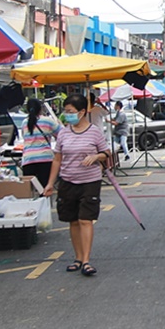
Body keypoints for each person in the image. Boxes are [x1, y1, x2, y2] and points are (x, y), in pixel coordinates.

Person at [52, 91, 111, 277]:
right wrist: (49, 184)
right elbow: (56, 159)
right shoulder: (63, 133)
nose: (67, 114)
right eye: (65, 111)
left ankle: (86, 261)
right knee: (73, 221)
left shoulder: (94, 132)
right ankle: (77, 258)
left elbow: (107, 153)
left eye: (70, 111)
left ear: (82, 112)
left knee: (86, 219)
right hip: (67, 181)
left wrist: (96, 156)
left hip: (90, 182)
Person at [15, 98, 56, 186]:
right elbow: (61, 134)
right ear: (40, 108)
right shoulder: (48, 121)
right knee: (45, 188)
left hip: (28, 159)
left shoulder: (24, 123)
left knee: (30, 189)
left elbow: (24, 137)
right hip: (45, 158)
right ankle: (45, 200)